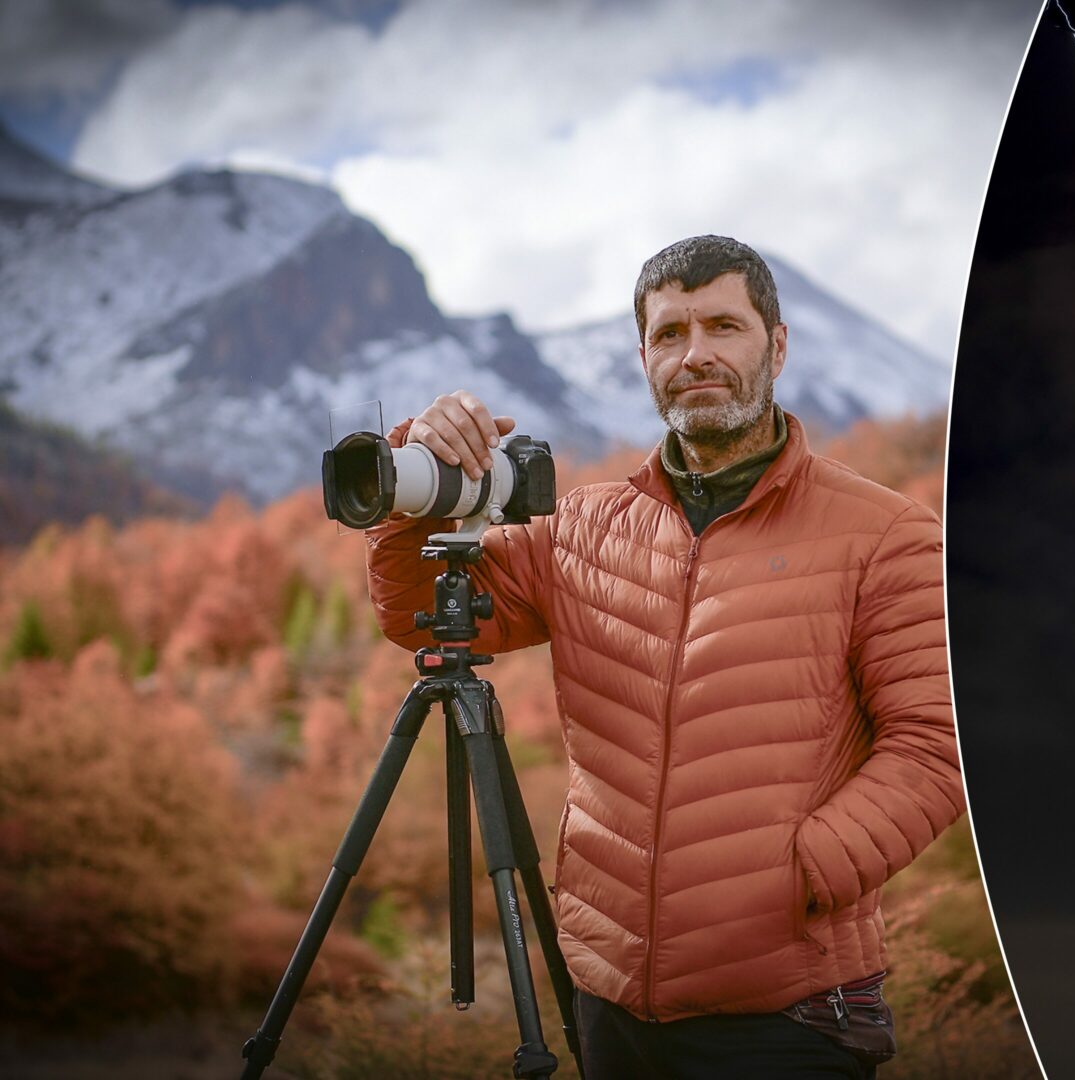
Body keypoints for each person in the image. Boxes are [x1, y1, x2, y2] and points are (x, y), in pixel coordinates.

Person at [365, 235, 962, 1078]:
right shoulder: (583, 528)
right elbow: (421, 617)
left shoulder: (884, 535)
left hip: (786, 1013)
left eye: (724, 325)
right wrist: (419, 479)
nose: (697, 354)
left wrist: (798, 876)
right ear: (644, 356)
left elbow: (936, 749)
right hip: (609, 1000)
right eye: (671, 333)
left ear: (777, 345)